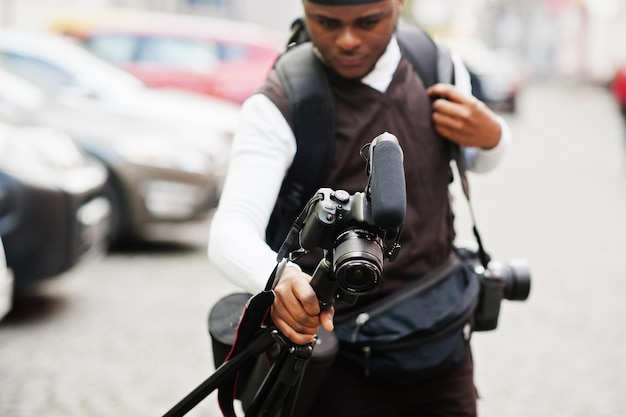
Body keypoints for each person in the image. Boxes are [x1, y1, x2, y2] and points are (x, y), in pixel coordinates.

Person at [208, 0, 511, 415]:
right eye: (327, 23)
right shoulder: (282, 99)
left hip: (441, 347)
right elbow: (230, 230)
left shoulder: (436, 66)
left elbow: (476, 157)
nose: (348, 40)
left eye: (368, 22)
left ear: (398, 5)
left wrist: (495, 137)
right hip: (334, 361)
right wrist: (276, 278)